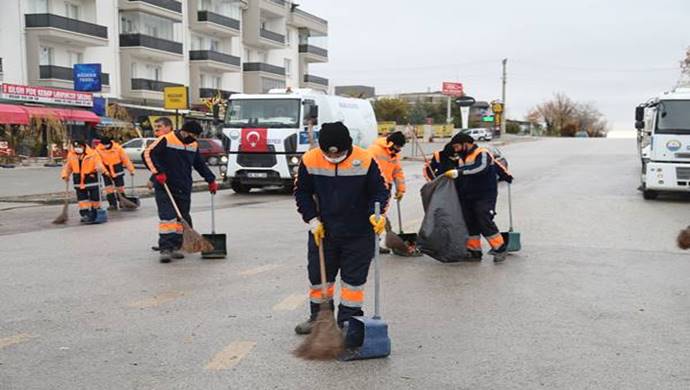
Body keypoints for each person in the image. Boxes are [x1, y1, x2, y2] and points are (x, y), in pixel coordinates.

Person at [293, 122, 389, 338]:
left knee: (353, 282)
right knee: (319, 279)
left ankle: (349, 321)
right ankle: (318, 318)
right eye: (328, 153)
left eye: (340, 153)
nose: (334, 157)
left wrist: (377, 213)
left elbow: (380, 191)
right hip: (324, 232)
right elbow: (302, 193)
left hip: (359, 232)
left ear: (349, 146)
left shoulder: (365, 159)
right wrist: (312, 220)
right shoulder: (310, 159)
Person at [144, 120, 219, 263]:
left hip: (184, 186)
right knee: (168, 218)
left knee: (181, 219)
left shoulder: (193, 144)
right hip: (166, 185)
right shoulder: (167, 139)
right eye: (192, 135)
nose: (194, 139)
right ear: (184, 132)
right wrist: (157, 172)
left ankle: (176, 246)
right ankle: (166, 248)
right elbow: (148, 154)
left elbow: (199, 164)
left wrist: (211, 180)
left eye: (196, 136)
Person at [442, 132, 513, 263]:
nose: (456, 150)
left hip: (484, 194)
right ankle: (474, 250)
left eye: (457, 147)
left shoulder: (482, 153)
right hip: (467, 195)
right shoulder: (462, 158)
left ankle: (499, 247)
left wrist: (459, 172)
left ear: (466, 144)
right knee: (470, 222)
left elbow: (481, 168)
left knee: (483, 218)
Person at [368, 131, 407, 254]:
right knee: (373, 215)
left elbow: (397, 172)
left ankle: (374, 244)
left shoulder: (394, 155)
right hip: (373, 187)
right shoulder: (374, 150)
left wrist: (401, 189)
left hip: (386, 188)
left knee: (381, 215)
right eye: (397, 147)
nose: (398, 150)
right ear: (391, 143)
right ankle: (370, 245)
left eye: (400, 148)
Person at [60, 140, 107, 223]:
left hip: (92, 180)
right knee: (82, 200)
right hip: (79, 182)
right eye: (75, 147)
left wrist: (101, 169)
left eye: (79, 147)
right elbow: (68, 167)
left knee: (95, 198)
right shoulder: (72, 155)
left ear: (84, 146)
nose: (77, 149)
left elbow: (99, 163)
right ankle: (85, 215)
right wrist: (65, 175)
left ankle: (95, 213)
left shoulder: (93, 154)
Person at [96, 137, 135, 210]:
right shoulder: (98, 150)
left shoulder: (118, 148)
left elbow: (125, 159)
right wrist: (105, 171)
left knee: (120, 188)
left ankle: (122, 202)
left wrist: (131, 170)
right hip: (106, 171)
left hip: (117, 170)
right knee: (109, 189)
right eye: (103, 144)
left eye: (106, 144)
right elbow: (99, 162)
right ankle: (112, 204)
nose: (105, 146)